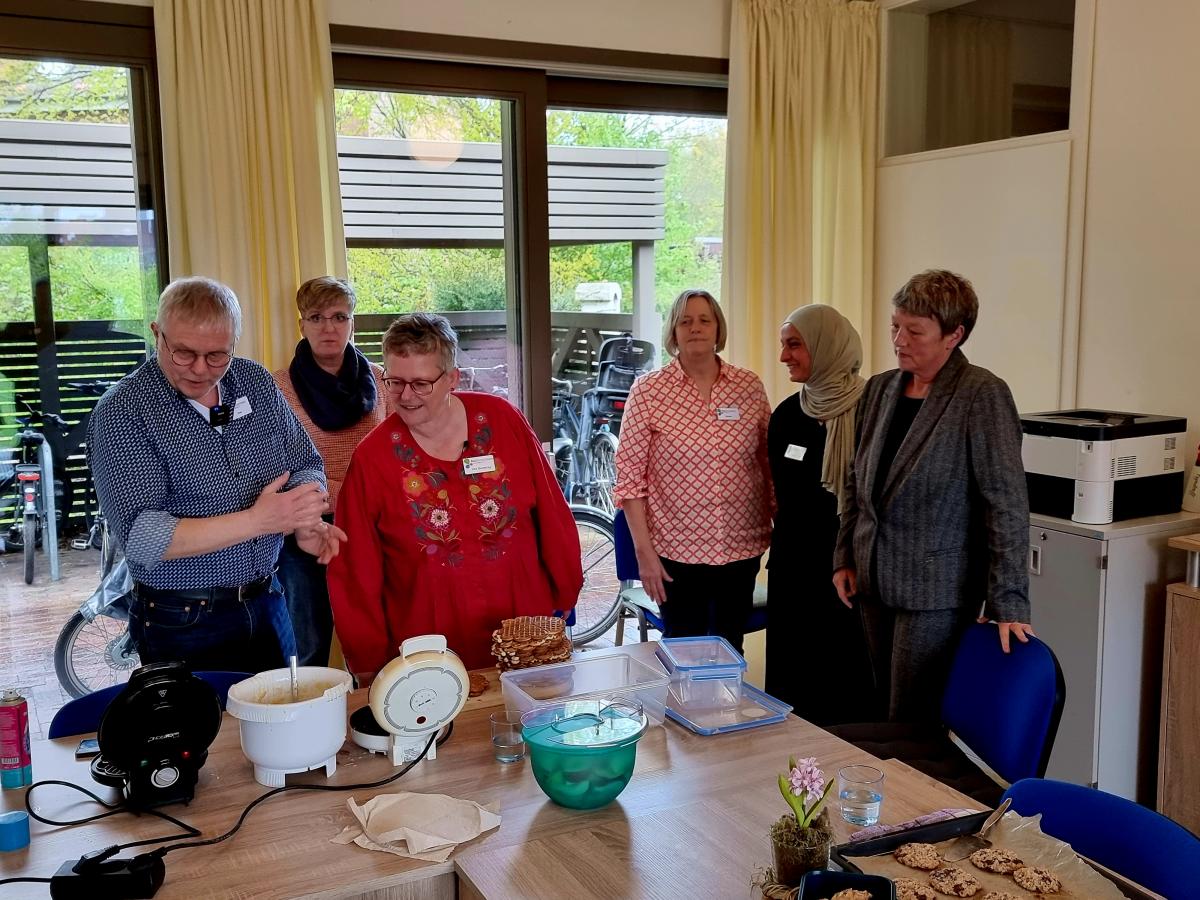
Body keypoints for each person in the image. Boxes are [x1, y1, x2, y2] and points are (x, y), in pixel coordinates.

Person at [87, 276, 346, 674]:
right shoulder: (124, 411)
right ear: (157, 334)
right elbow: (142, 537)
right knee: (202, 735)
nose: (200, 370)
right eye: (184, 353)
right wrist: (260, 520)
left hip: (268, 599)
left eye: (217, 356)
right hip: (182, 617)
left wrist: (303, 518)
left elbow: (304, 461)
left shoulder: (255, 382)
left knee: (282, 725)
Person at [327, 312, 582, 678]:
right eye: (395, 382)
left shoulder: (502, 419)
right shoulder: (372, 458)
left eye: (420, 383)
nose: (406, 396)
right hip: (429, 648)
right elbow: (354, 571)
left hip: (524, 632)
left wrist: (565, 592)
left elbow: (552, 512)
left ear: (452, 378)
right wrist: (369, 664)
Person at [832, 269, 1032, 722]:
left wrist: (1009, 600)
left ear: (953, 335)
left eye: (914, 331)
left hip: (936, 588)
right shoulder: (881, 388)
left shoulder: (981, 394)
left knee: (913, 719)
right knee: (880, 705)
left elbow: (1006, 504)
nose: (899, 339)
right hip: (873, 577)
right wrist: (845, 555)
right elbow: (855, 480)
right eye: (895, 326)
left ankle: (916, 795)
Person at [613, 289, 772, 656]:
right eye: (686, 321)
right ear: (673, 332)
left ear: (718, 328)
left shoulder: (748, 386)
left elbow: (767, 462)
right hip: (675, 553)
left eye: (704, 320)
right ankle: (688, 715)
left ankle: (727, 713)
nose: (695, 328)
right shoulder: (649, 391)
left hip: (740, 548)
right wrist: (645, 556)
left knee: (730, 649)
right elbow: (630, 480)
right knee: (685, 652)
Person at [272, 277, 388, 666]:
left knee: (377, 641)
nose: (329, 327)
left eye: (340, 316)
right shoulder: (276, 388)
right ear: (301, 324)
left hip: (372, 526)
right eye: (317, 317)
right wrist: (346, 493)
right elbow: (280, 466)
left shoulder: (381, 380)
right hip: (306, 529)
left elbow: (390, 452)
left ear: (352, 322)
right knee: (306, 647)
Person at [766, 304, 874, 723]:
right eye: (783, 345)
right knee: (792, 694)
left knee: (843, 696)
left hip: (848, 576)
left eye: (795, 345)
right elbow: (779, 494)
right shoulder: (787, 415)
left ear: (827, 347)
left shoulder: (871, 412)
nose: (784, 356)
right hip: (794, 573)